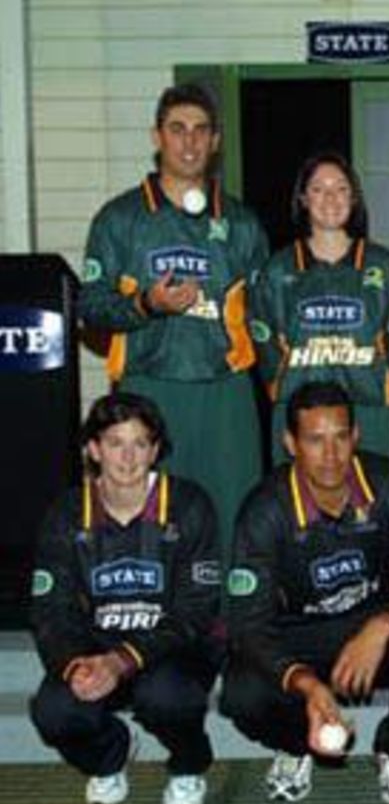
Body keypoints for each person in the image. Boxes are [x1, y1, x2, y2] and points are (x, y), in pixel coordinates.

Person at [220, 382, 389, 804]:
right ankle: (297, 743)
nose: (331, 455)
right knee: (241, 692)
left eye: (340, 437)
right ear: (290, 443)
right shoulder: (264, 510)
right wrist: (307, 684)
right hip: (299, 638)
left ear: (356, 436)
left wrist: (382, 627)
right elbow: (247, 625)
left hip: (372, 630)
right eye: (315, 440)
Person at [79, 83, 269, 553]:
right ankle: (151, 617)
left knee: (233, 512)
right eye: (178, 129)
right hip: (150, 385)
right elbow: (89, 306)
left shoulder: (242, 223)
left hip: (226, 391)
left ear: (216, 141)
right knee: (151, 511)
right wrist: (146, 304)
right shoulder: (120, 218)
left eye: (201, 131)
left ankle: (231, 617)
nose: (190, 142)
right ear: (157, 137)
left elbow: (266, 315)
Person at [29, 393, 221, 804]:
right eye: (116, 443)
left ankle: (188, 765)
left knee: (166, 695)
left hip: (173, 652)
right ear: (94, 449)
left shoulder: (189, 505)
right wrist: (76, 665)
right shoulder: (65, 514)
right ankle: (109, 756)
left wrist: (124, 660)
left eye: (140, 443)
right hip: (96, 652)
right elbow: (50, 613)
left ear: (155, 450)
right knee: (54, 710)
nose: (128, 457)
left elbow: (196, 613)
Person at [251, 151, 389, 462]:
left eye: (341, 188)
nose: (330, 198)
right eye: (318, 189)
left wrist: (385, 386)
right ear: (303, 199)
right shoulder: (279, 269)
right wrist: (282, 389)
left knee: (373, 503)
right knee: (296, 507)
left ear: (354, 197)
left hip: (368, 411)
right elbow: (263, 343)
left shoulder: (383, 265)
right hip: (300, 414)